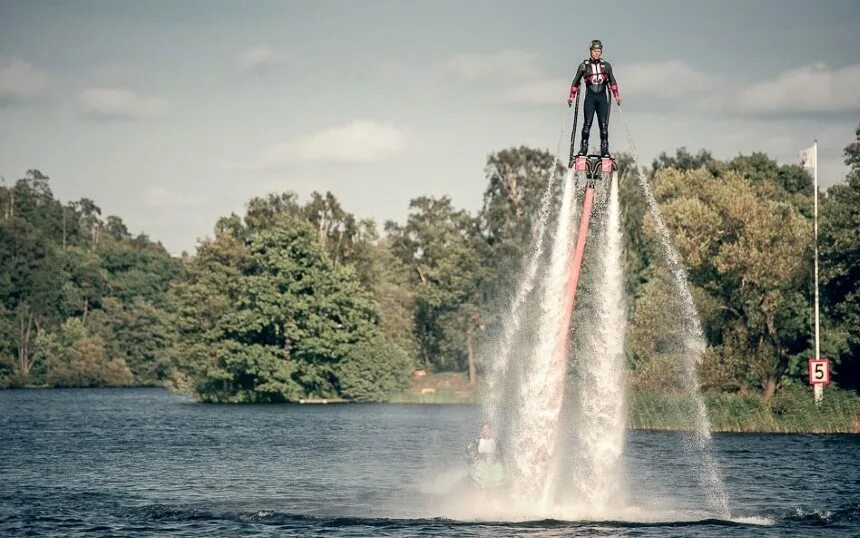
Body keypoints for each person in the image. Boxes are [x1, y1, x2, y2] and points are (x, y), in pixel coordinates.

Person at [568, 40, 621, 158]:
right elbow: (575, 81)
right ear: (590, 51)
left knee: (604, 126)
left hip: (602, 98)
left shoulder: (606, 66)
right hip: (590, 98)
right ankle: (583, 148)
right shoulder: (584, 66)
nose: (597, 53)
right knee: (587, 124)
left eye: (599, 51)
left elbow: (612, 81)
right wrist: (572, 96)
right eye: (595, 51)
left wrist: (616, 95)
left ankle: (605, 149)